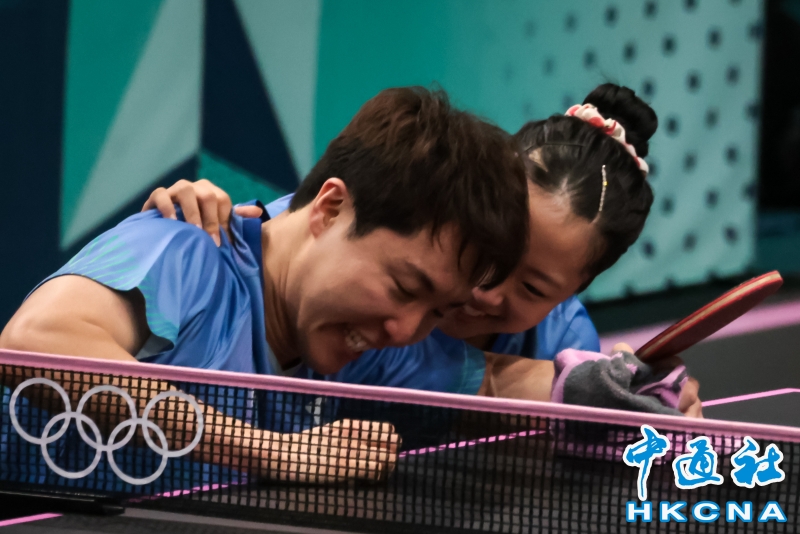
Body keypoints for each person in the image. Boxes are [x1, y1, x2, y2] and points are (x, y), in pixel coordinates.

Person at [0, 87, 532, 484]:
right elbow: (34, 341)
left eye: (438, 312)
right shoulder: (185, 247)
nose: (406, 330)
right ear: (331, 208)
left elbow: (496, 386)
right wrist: (273, 451)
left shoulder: (355, 343)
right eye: (404, 287)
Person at [146, 84, 702, 418]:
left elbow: (509, 391)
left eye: (533, 286)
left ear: (573, 293)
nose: (485, 289)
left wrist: (624, 399)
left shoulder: (553, 341)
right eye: (490, 253)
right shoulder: (252, 252)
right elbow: (283, 245)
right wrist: (193, 232)